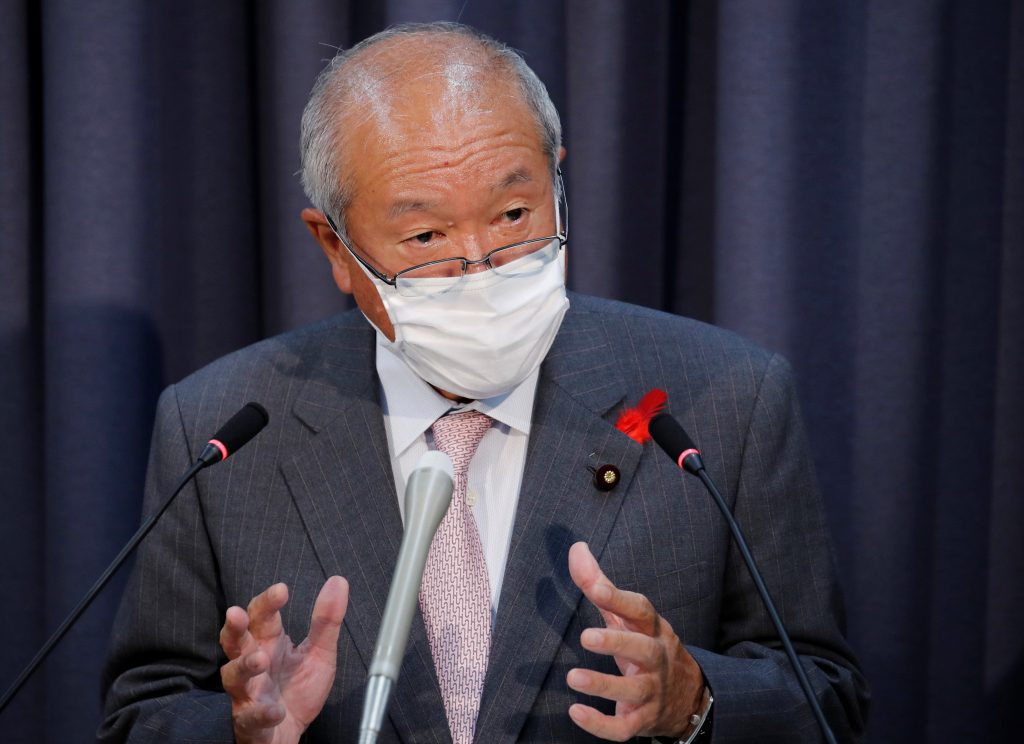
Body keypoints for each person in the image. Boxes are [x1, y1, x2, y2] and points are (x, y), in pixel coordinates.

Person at [99, 21, 868, 744]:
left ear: (557, 186)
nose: (483, 266)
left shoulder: (726, 397)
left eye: (512, 212)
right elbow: (144, 710)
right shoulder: (220, 428)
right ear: (334, 246)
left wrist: (693, 699)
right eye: (427, 235)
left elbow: (827, 695)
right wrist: (241, 729)